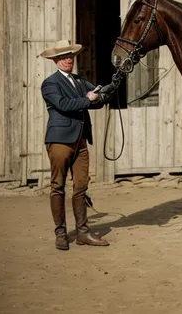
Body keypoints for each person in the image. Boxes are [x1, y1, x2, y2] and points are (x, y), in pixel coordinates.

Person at [40, 40, 113, 250]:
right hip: (60, 140)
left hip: (81, 141)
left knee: (81, 188)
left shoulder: (80, 81)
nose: (68, 59)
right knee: (58, 187)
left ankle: (83, 233)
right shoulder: (50, 83)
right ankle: (61, 233)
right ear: (55, 60)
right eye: (63, 57)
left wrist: (108, 90)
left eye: (70, 56)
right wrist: (88, 99)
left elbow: (96, 100)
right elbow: (63, 105)